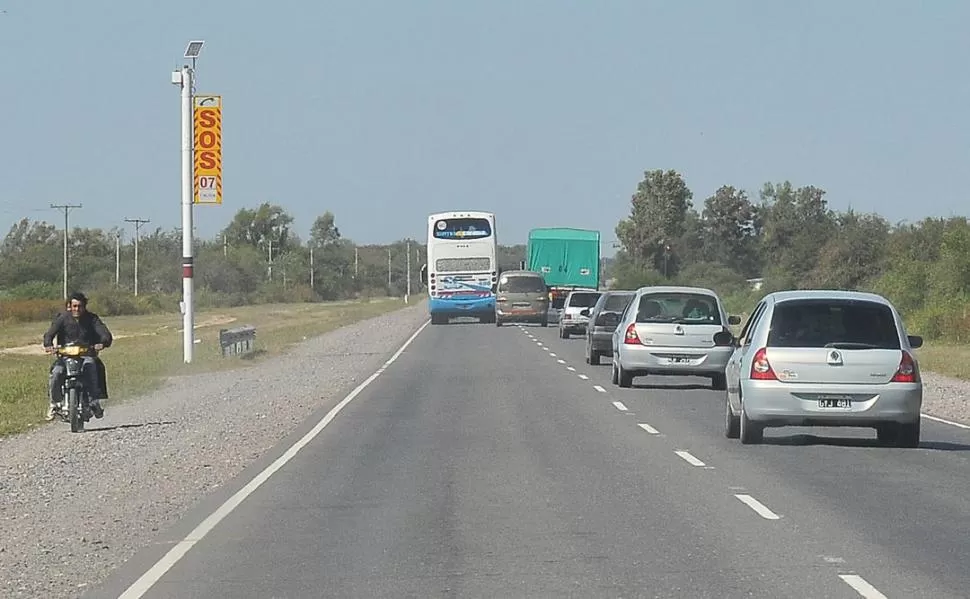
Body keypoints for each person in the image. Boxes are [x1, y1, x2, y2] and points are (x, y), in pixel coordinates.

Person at [42, 292, 113, 421]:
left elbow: (105, 333)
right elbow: (49, 334)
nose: (77, 309)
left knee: (91, 366)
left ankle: (94, 401)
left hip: (86, 355)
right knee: (56, 372)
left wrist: (103, 342)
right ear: (69, 306)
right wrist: (48, 344)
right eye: (74, 306)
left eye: (79, 306)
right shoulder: (62, 318)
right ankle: (55, 403)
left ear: (84, 306)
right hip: (65, 357)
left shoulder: (92, 319)